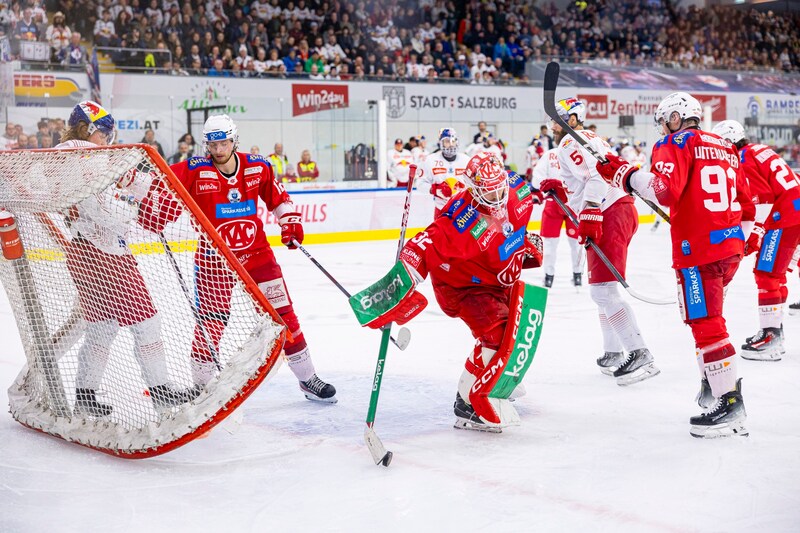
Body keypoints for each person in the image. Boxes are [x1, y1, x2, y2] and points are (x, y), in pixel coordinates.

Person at [596, 92, 753, 438]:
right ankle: (714, 383)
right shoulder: (725, 146)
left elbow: (664, 191)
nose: (664, 127)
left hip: (699, 253)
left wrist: (627, 175)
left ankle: (730, 402)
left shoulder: (675, 143)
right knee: (702, 320)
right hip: (729, 248)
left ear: (677, 117)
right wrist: (736, 245)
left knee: (707, 323)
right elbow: (747, 204)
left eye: (666, 120)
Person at [361, 153, 543, 431]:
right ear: (472, 189)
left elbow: (517, 222)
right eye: (487, 191)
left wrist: (523, 244)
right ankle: (466, 402)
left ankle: (490, 380)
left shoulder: (517, 189)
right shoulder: (460, 218)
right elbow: (420, 247)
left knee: (513, 335)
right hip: (464, 286)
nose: (495, 196)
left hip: (497, 278)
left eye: (499, 188)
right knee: (496, 334)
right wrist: (396, 289)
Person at [164, 115, 336, 402]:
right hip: (213, 260)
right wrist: (149, 206)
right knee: (212, 322)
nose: (218, 149)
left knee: (284, 316)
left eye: (224, 142)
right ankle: (203, 387)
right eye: (213, 143)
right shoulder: (193, 169)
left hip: (257, 256)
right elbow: (160, 185)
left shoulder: (258, 165)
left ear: (234, 140)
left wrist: (289, 222)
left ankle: (308, 379)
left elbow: (278, 199)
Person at [58, 101, 196, 416]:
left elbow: (131, 184)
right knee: (147, 322)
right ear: (86, 129)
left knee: (102, 328)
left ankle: (85, 395)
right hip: (107, 254)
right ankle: (161, 392)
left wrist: (147, 190)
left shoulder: (64, 156)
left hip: (81, 252)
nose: (107, 139)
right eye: (103, 133)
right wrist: (133, 203)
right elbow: (109, 213)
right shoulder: (86, 159)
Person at [539, 98, 658, 384]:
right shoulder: (586, 138)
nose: (552, 124)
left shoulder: (569, 142)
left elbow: (597, 176)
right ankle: (613, 352)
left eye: (558, 118)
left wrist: (591, 209)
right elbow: (588, 177)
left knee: (603, 291)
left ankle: (639, 353)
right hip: (617, 209)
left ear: (573, 119)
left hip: (608, 211)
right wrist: (565, 191)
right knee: (602, 290)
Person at [712, 119, 800, 361]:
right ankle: (775, 331)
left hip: (784, 216)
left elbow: (763, 200)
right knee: (776, 271)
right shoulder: (759, 149)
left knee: (767, 273)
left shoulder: (742, 158)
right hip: (794, 209)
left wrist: (754, 234)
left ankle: (771, 337)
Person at [531, 145, 582, 287]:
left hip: (556, 202)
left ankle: (549, 276)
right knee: (575, 242)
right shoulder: (576, 153)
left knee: (551, 243)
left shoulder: (549, 154)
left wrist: (543, 188)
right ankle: (577, 275)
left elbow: (537, 179)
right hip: (572, 202)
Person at [418, 128, 470, 218]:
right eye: (447, 141)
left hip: (464, 209)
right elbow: (420, 184)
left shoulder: (466, 160)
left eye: (453, 141)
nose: (451, 144)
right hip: (441, 209)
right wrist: (434, 189)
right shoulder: (430, 160)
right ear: (441, 143)